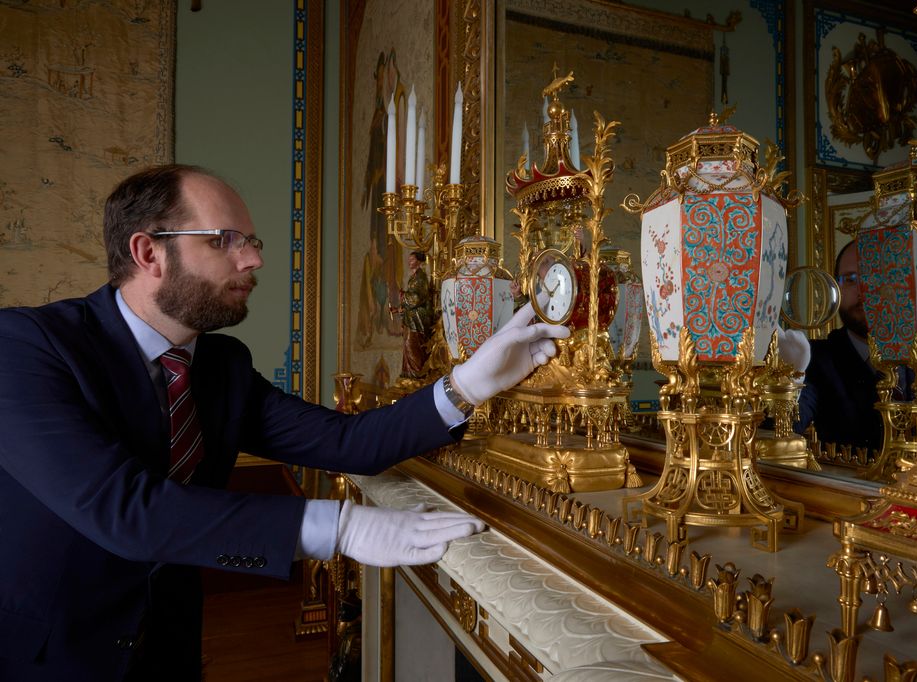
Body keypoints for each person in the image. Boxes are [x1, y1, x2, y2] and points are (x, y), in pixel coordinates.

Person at [0, 164, 570, 681]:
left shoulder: (223, 366)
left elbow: (347, 442)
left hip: (167, 649)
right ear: (149, 253)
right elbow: (122, 508)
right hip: (46, 654)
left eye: (251, 242)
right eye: (225, 241)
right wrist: (340, 528)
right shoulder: (26, 346)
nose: (253, 259)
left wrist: (466, 384)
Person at [791, 240, 898, 450]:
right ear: (836, 288)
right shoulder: (815, 358)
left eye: (874, 277)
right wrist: (787, 381)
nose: (863, 290)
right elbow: (787, 424)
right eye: (850, 279)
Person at [396, 250, 432, 380]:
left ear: (419, 261)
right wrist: (402, 307)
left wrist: (403, 295)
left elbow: (417, 299)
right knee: (407, 345)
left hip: (417, 319)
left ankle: (417, 375)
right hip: (410, 318)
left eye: (412, 260)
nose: (409, 262)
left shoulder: (421, 278)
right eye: (409, 259)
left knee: (412, 345)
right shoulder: (414, 277)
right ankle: (409, 374)